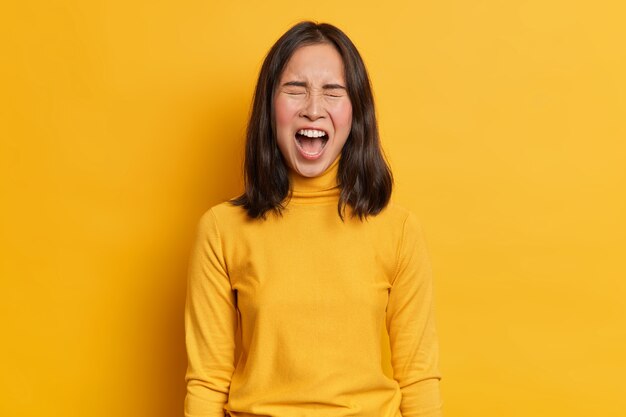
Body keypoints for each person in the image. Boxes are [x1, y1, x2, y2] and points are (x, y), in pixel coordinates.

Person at [184, 21, 442, 417]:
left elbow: (418, 379)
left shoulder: (399, 231)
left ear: (356, 111)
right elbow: (207, 382)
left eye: (333, 91)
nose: (314, 108)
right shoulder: (221, 230)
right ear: (270, 106)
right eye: (295, 89)